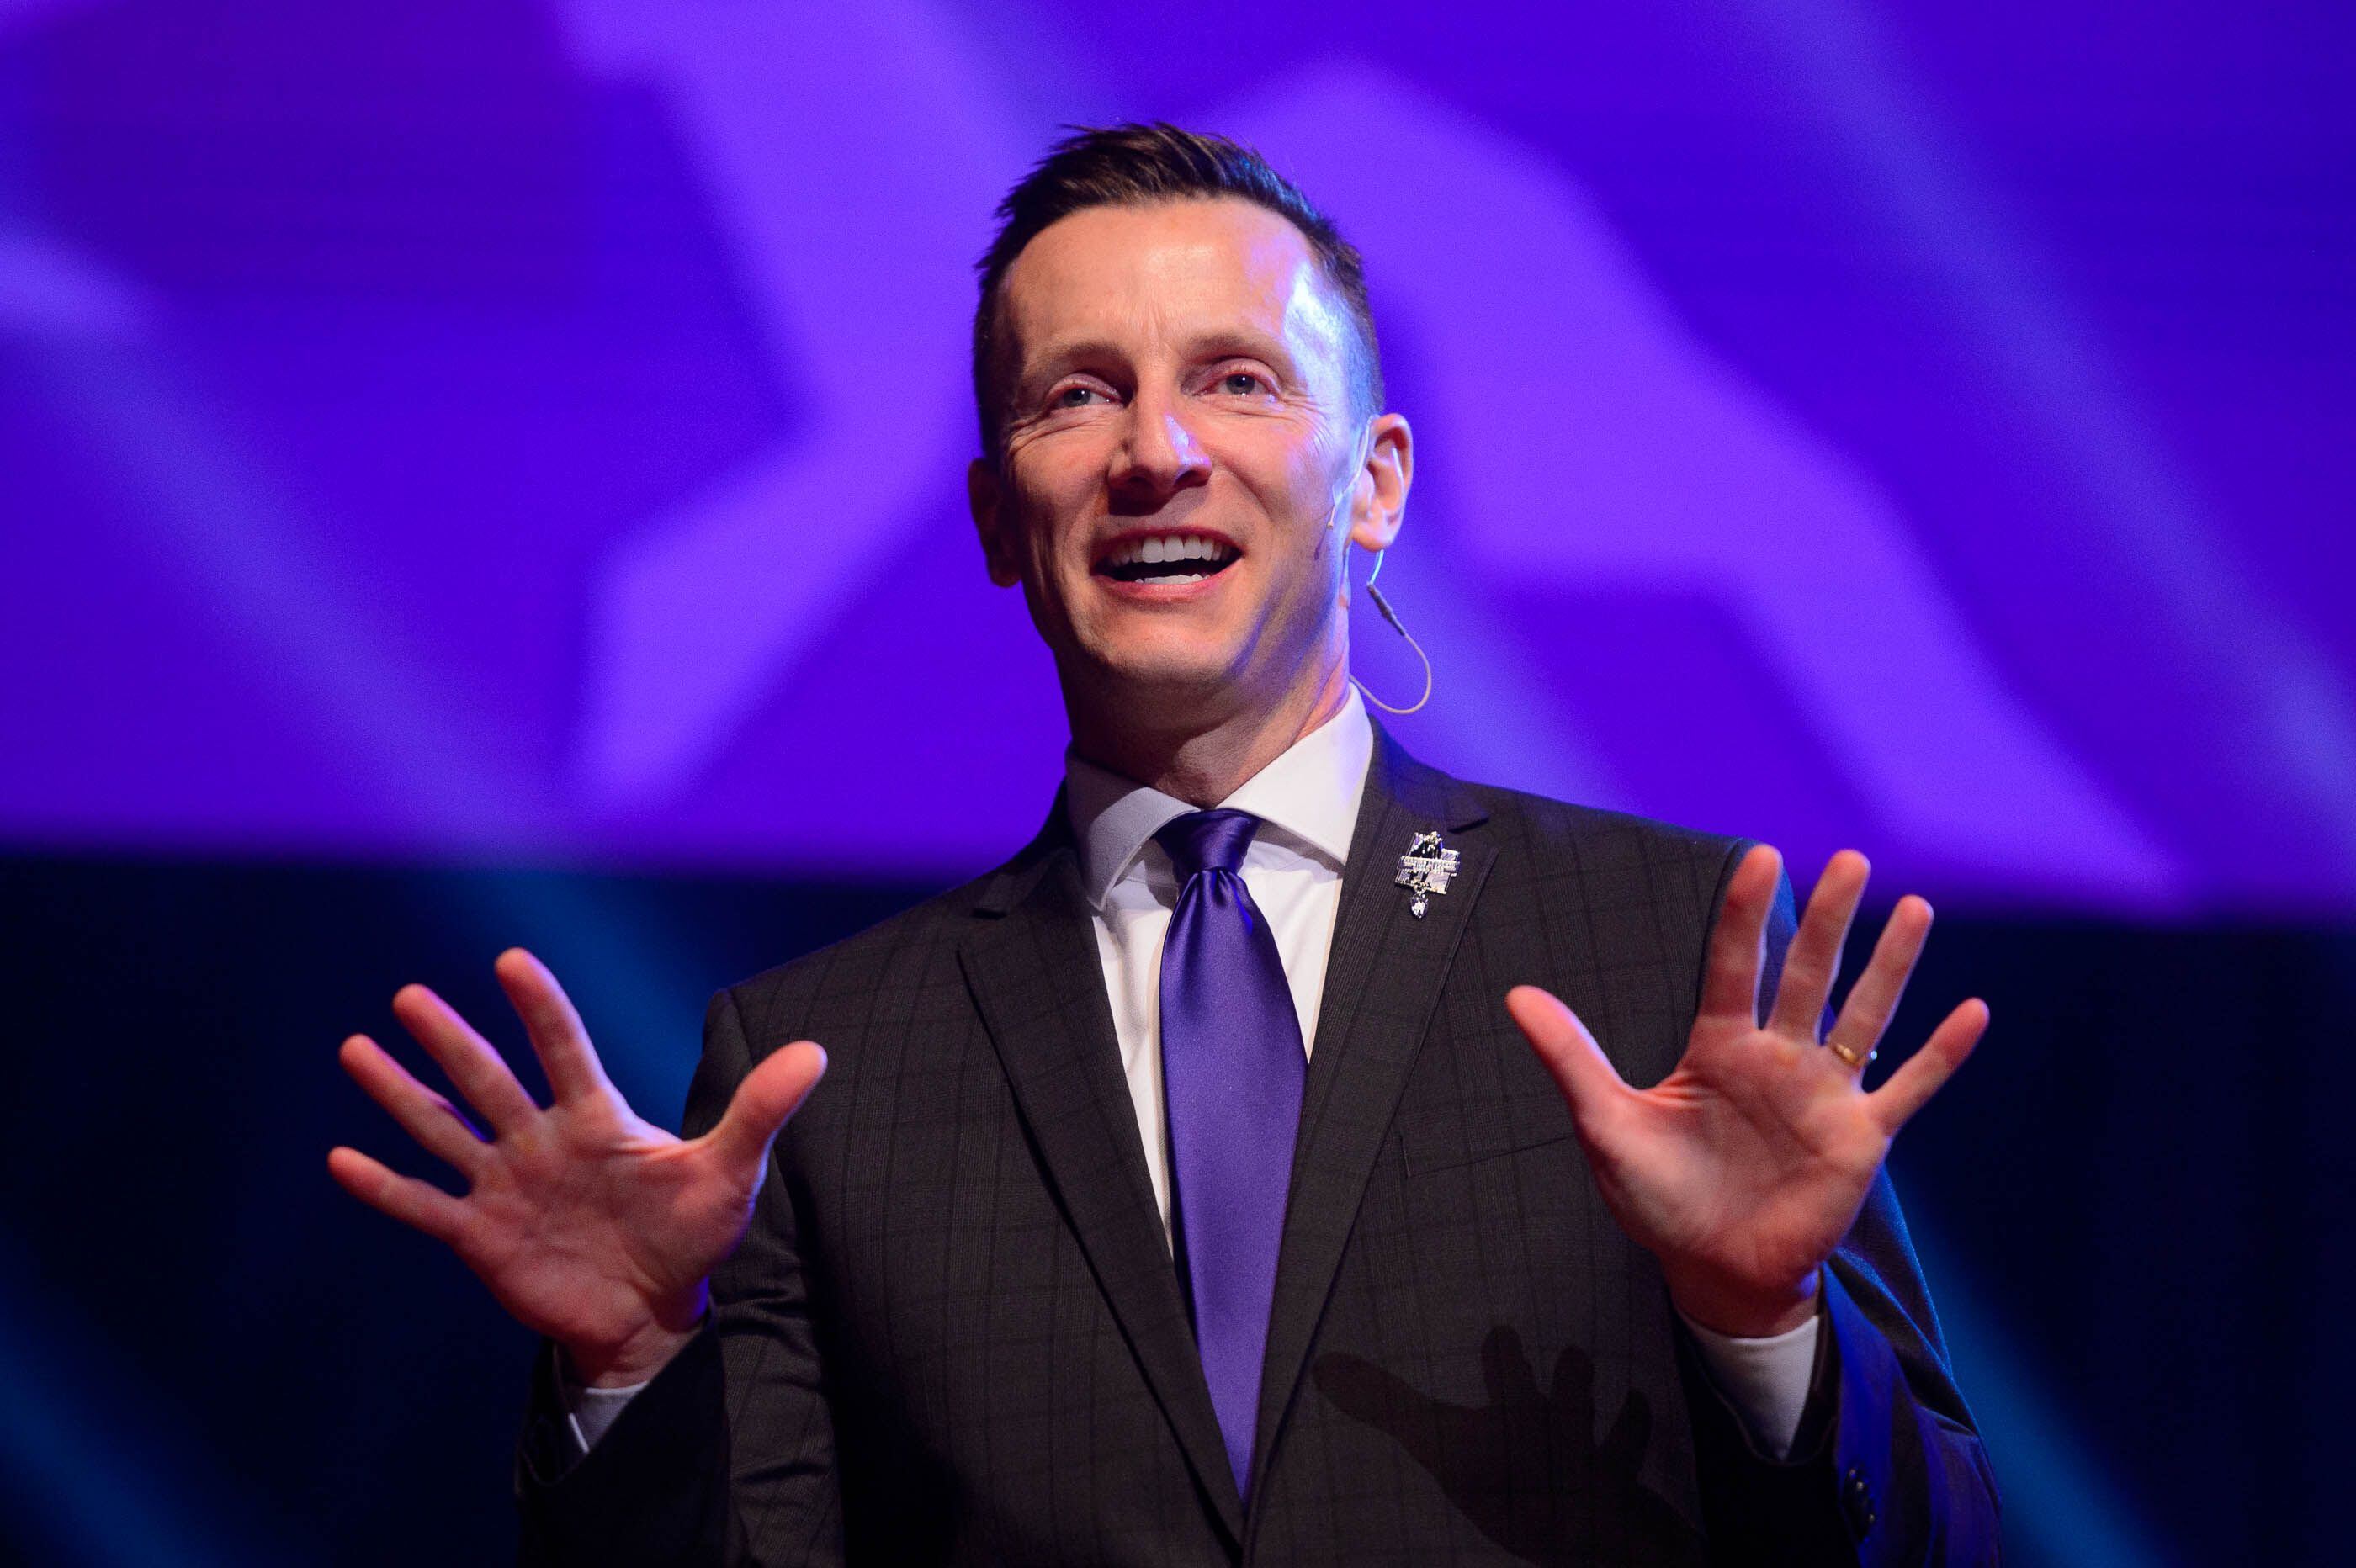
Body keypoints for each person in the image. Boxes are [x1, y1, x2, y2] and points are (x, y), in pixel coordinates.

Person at [329, 125, 1998, 1565]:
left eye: (1237, 378)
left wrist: (1763, 1328)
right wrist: (633, 1369)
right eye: (1078, 394)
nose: (1154, 451)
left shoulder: (1660, 953)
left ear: (1373, 482)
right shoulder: (818, 1074)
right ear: (999, 515)